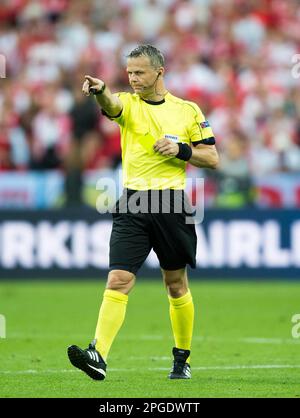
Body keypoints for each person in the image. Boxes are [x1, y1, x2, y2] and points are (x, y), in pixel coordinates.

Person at [67, 45, 219, 380]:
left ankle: (181, 359)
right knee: (118, 279)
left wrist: (180, 149)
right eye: (130, 73)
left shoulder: (187, 110)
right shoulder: (128, 103)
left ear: (159, 72)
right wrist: (102, 90)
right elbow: (111, 104)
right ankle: (98, 354)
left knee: (175, 283)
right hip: (133, 203)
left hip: (171, 204)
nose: (133, 79)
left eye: (140, 72)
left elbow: (212, 157)